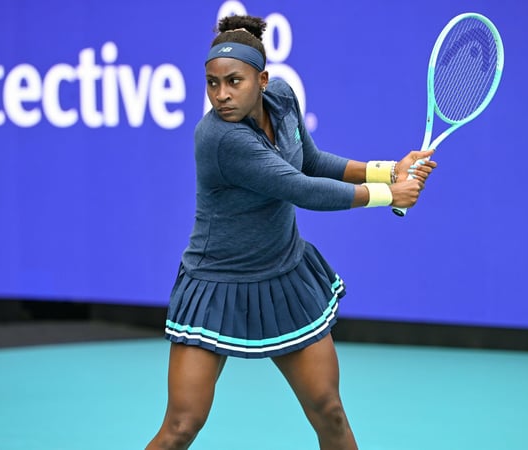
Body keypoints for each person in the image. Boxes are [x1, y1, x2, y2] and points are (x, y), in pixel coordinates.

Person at [144, 14, 437, 450]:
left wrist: (388, 170)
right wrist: (387, 194)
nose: (221, 95)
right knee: (181, 426)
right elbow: (301, 188)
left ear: (262, 80)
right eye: (211, 83)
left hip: (284, 277)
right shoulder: (220, 139)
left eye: (233, 81)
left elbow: (310, 161)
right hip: (216, 285)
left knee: (330, 412)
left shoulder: (281, 99)